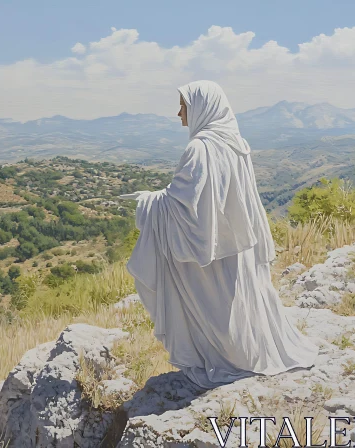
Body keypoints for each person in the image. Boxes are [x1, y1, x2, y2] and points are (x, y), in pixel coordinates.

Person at [121, 80, 318, 389]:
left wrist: (148, 201)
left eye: (183, 106)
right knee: (235, 304)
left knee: (217, 310)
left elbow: (185, 204)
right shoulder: (235, 142)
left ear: (201, 107)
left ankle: (228, 357)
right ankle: (244, 352)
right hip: (236, 245)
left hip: (211, 251)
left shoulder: (199, 148)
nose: (178, 113)